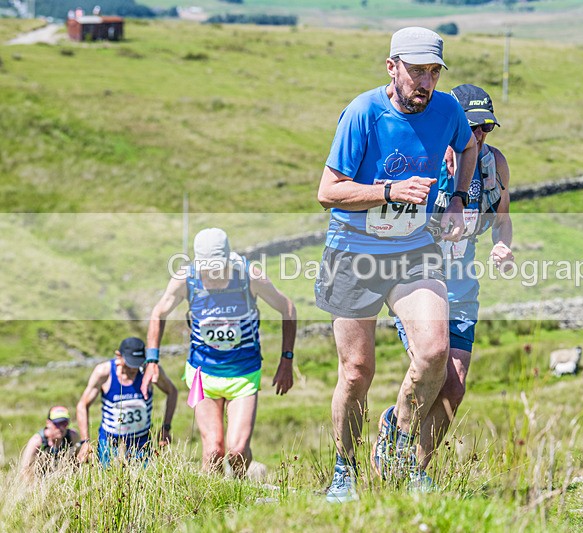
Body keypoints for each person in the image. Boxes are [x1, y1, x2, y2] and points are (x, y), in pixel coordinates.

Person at [316, 26, 478, 502]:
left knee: (433, 353)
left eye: (433, 72)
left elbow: (467, 147)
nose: (425, 82)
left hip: (412, 250)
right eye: (416, 72)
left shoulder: (447, 109)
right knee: (356, 372)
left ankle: (400, 447)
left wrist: (459, 199)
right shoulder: (363, 112)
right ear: (392, 67)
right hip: (354, 252)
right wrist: (388, 191)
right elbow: (328, 191)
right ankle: (345, 471)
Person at [385, 83, 514, 478]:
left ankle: (417, 471)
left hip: (462, 288)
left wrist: (503, 247)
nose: (478, 136)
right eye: (471, 127)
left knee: (453, 388)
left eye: (485, 129)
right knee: (432, 370)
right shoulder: (421, 159)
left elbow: (503, 220)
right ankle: (396, 432)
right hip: (417, 285)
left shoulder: (493, 165)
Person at [142, 228, 296, 476]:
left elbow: (287, 308)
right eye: (207, 268)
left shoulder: (248, 276)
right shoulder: (186, 278)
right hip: (202, 373)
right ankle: (210, 504)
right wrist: (152, 360)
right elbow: (158, 313)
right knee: (213, 451)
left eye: (218, 268)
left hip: (243, 375)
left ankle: (240, 490)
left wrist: (286, 359)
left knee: (236, 451)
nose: (212, 274)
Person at [76, 337, 178, 466]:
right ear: (119, 356)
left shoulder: (150, 370)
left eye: (138, 363)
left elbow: (172, 392)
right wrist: (85, 441)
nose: (134, 369)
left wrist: (166, 427)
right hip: (110, 443)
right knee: (108, 482)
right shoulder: (104, 372)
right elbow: (82, 405)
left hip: (141, 442)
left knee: (143, 483)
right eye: (130, 363)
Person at [18, 406, 81, 480]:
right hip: (40, 481)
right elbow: (25, 470)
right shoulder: (37, 442)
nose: (61, 428)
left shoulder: (72, 436)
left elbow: (78, 459)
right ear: (48, 423)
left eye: (64, 423)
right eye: (57, 424)